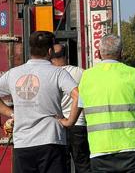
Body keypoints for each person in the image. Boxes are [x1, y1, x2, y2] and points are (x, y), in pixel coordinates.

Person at [0, 31, 80, 173]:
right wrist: (69, 121)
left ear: (31, 49)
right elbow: (78, 96)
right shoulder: (58, 73)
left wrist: (12, 113)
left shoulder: (13, 73)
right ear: (50, 50)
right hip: (51, 141)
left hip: (23, 144)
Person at [76, 34, 135, 173]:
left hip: (100, 149)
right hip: (133, 149)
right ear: (121, 53)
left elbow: (85, 112)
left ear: (98, 53)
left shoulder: (86, 77)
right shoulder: (134, 74)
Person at [51, 43, 91, 173]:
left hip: (58, 126)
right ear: (66, 55)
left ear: (51, 57)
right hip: (78, 124)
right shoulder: (80, 72)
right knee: (83, 163)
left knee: (63, 164)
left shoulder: (50, 75)